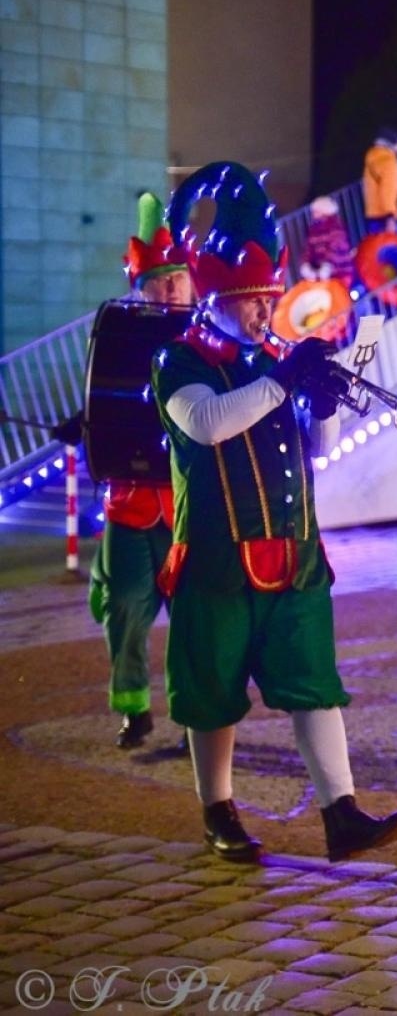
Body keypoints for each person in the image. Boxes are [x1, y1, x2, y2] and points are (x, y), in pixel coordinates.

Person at [154, 161, 397, 864]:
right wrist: (281, 378)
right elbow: (208, 423)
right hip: (215, 558)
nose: (266, 312)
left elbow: (313, 448)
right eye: (252, 301)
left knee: (313, 684)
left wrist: (321, 407)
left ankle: (342, 812)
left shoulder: (272, 356)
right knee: (212, 694)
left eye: (269, 298)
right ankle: (218, 809)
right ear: (218, 299)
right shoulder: (181, 360)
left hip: (295, 553)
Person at [55, 193, 194, 749]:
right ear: (141, 286)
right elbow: (106, 400)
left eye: (176, 279)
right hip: (130, 504)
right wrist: (83, 424)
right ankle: (133, 707)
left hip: (188, 502)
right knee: (127, 610)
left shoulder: (205, 339)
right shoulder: (121, 334)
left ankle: (195, 718)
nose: (169, 290)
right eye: (159, 281)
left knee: (195, 618)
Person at [299, 196, 354, 287]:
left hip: (340, 271)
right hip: (322, 273)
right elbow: (309, 249)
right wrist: (306, 264)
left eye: (316, 210)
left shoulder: (336, 227)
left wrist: (328, 266)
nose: (313, 213)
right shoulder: (313, 230)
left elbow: (336, 249)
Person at [362, 127, 397, 235]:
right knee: (393, 249)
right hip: (386, 216)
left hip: (372, 213)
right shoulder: (388, 162)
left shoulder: (371, 158)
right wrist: (390, 216)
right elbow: (388, 189)